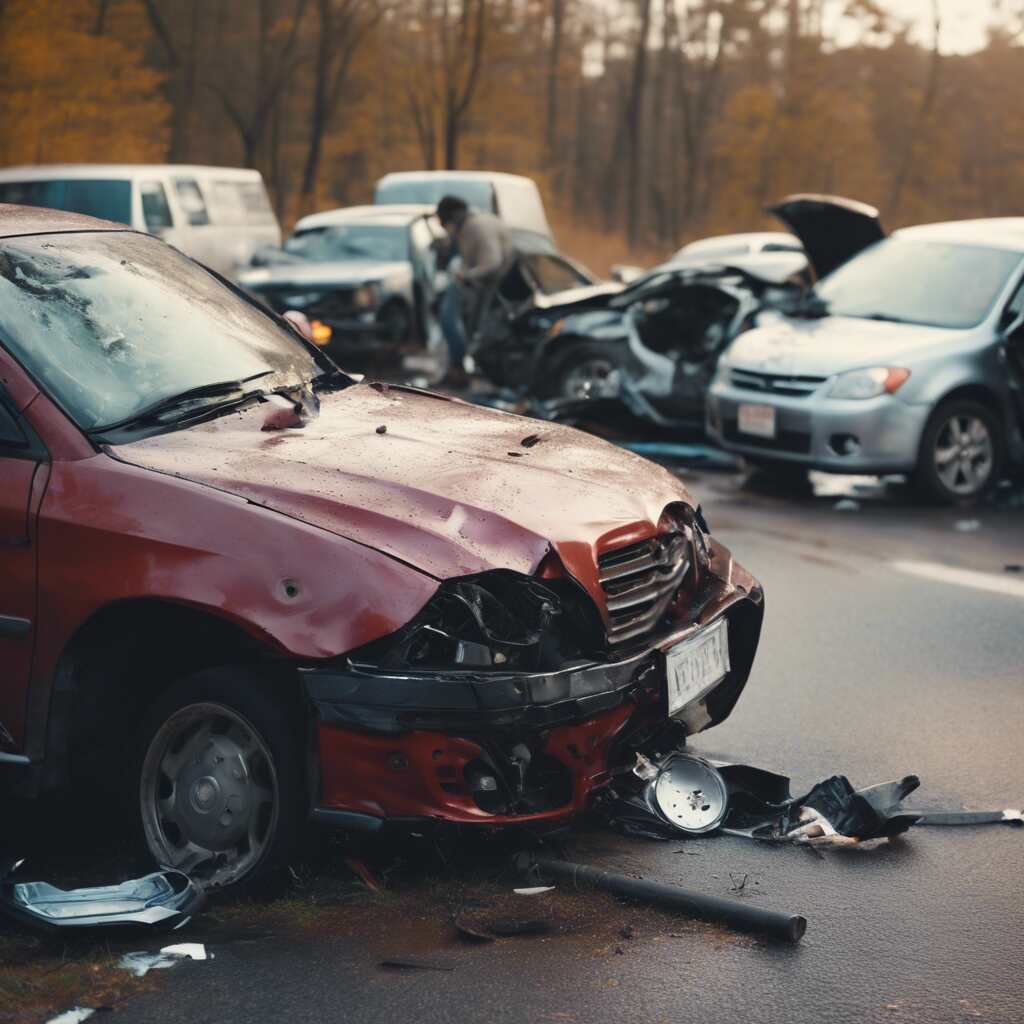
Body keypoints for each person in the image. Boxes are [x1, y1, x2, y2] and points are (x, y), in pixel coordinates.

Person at [434, 194, 514, 388]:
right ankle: (458, 368)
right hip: (487, 284)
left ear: (451, 219)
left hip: (491, 283)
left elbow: (492, 262)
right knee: (464, 325)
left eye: (445, 224)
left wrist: (468, 275)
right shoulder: (477, 221)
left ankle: (457, 369)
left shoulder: (475, 227)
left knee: (449, 319)